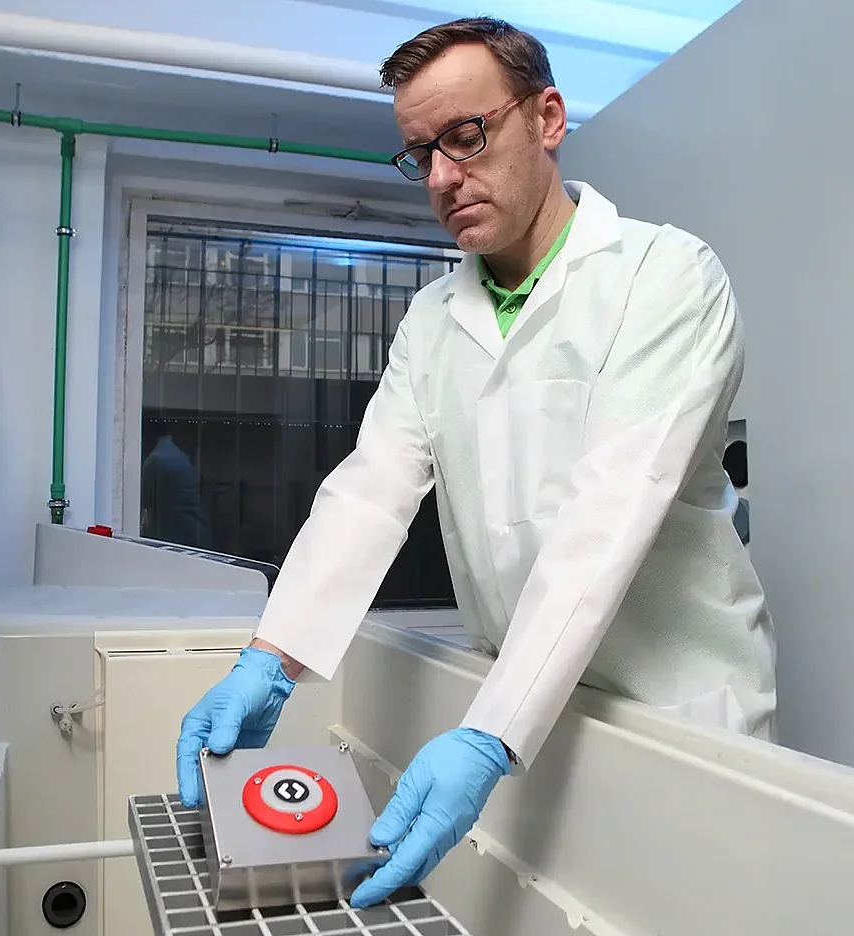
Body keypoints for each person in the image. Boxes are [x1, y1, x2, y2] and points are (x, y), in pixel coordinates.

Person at [175, 16, 776, 908]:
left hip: (675, 713)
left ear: (547, 118)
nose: (442, 178)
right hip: (523, 713)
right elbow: (371, 492)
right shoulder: (430, 322)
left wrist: (489, 733)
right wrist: (272, 656)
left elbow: (609, 516)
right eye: (420, 154)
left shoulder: (665, 276)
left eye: (465, 136)